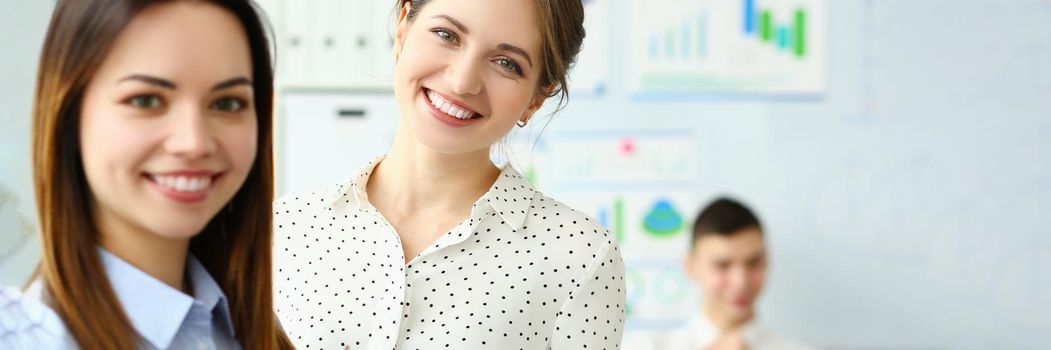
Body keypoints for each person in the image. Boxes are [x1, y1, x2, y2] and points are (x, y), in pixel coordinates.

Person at [272, 0, 626, 348]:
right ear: (403, 28)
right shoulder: (280, 228)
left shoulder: (581, 255)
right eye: (447, 35)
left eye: (506, 63)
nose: (462, 81)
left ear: (537, 97)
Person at [0, 1, 292, 349]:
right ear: (70, 115)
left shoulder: (249, 330)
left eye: (227, 103)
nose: (194, 143)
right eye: (146, 100)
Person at [627, 197, 810, 350]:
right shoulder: (646, 346)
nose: (740, 282)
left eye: (753, 262)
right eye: (722, 265)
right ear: (691, 266)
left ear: (767, 261)